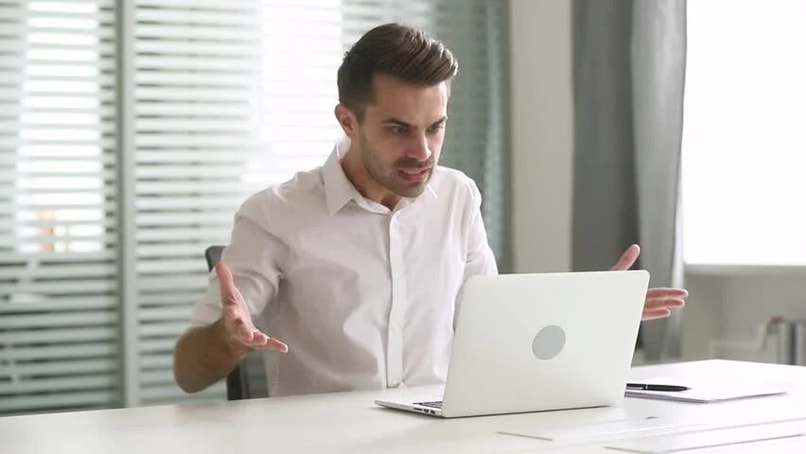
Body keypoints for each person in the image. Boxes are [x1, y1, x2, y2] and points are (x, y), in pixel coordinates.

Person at [173, 23, 687, 397]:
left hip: (441, 434)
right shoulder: (275, 214)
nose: (422, 151)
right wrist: (228, 340)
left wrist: (588, 317)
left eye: (435, 127)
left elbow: (494, 330)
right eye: (399, 129)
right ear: (348, 122)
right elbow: (189, 373)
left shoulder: (458, 197)